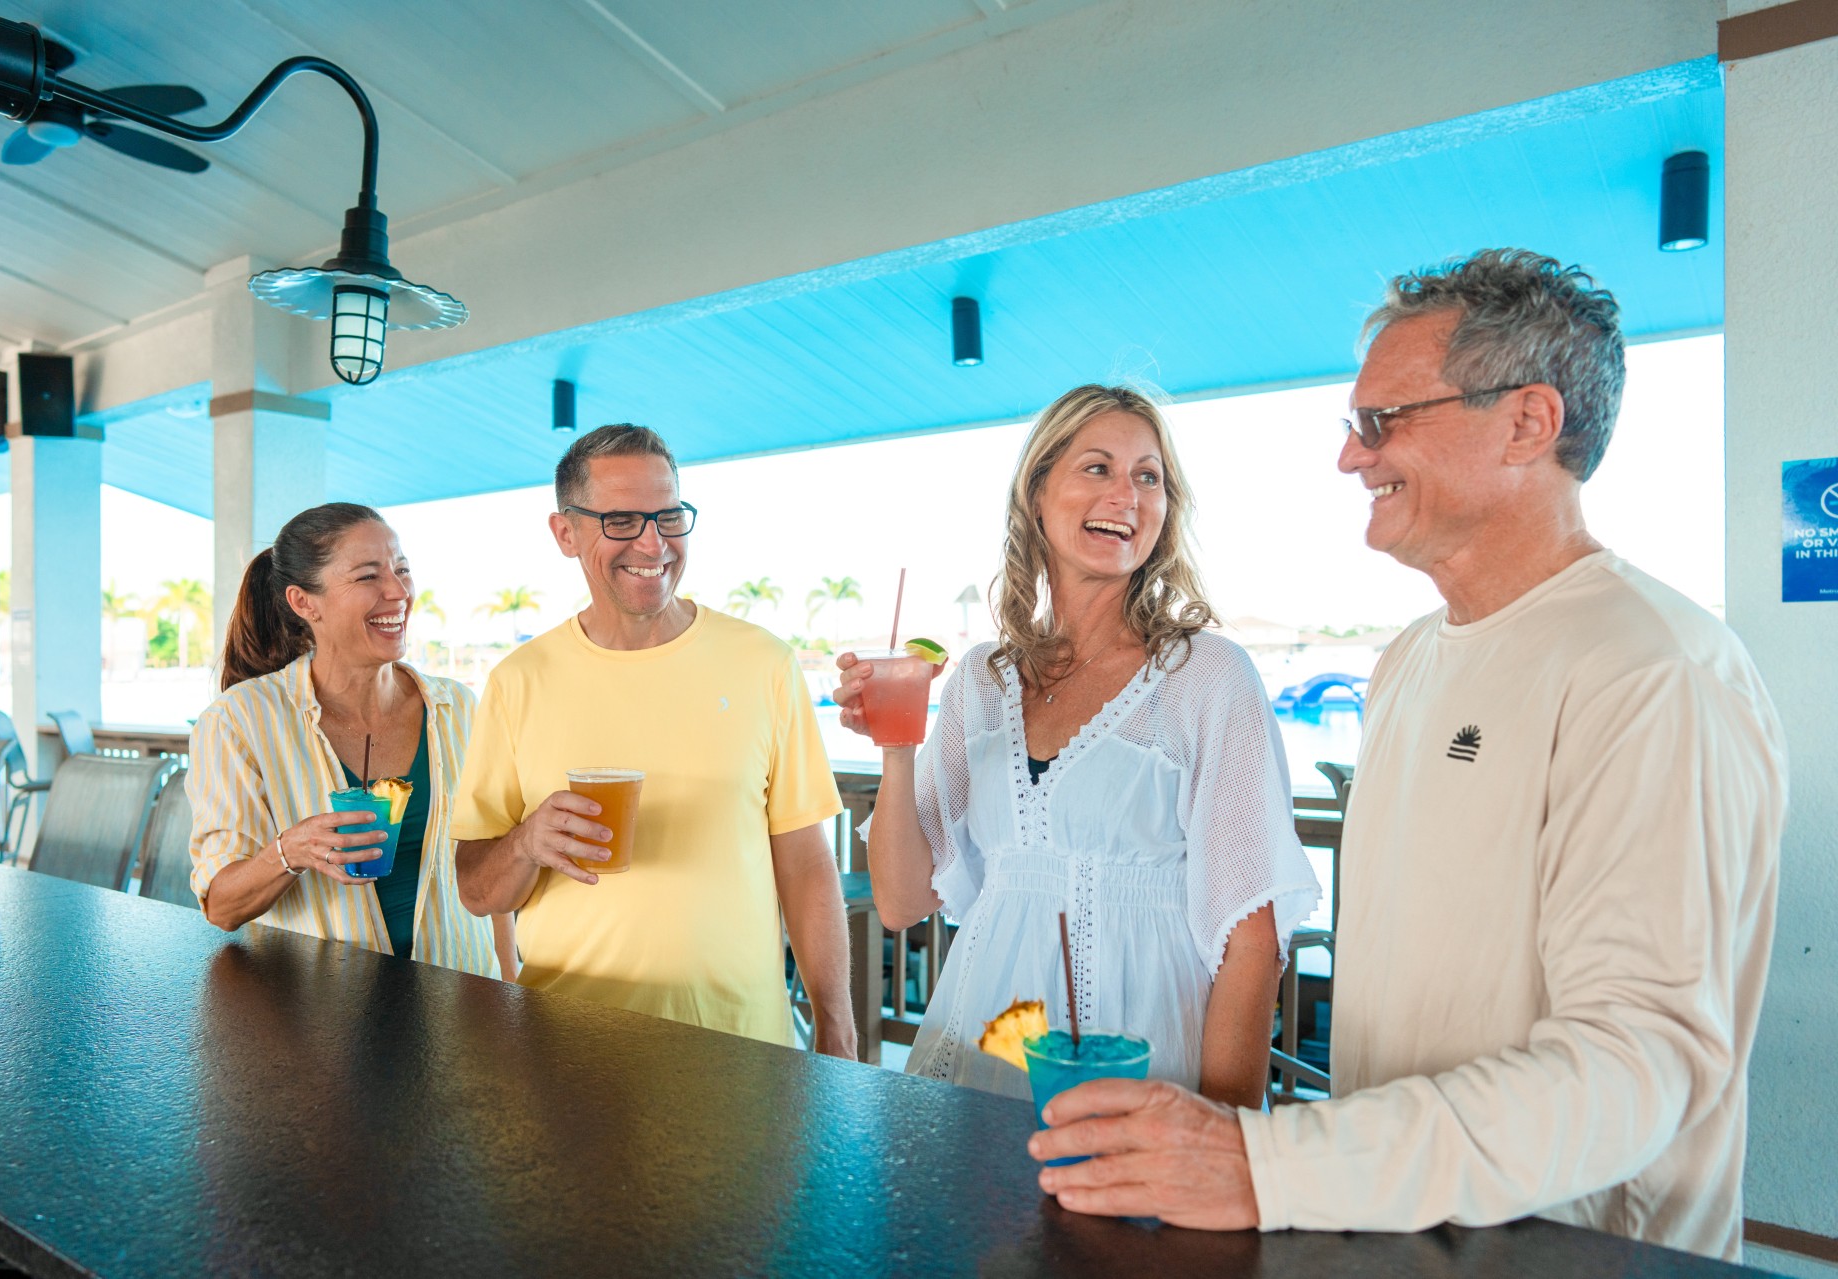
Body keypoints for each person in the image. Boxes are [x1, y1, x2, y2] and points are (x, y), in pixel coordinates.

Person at [1029, 250, 1786, 1263]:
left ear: (1527, 422)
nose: (1352, 457)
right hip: (1397, 1231)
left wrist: (1268, 1164)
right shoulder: (1408, 664)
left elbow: (1637, 1061)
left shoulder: (1652, 668)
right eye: (1353, 424)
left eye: (1383, 422)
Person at [835, 384, 1320, 1106]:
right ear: (1037, 494)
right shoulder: (981, 679)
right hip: (985, 1041)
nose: (1126, 494)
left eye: (1148, 476)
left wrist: (1227, 1135)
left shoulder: (1207, 677)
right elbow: (904, 900)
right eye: (1097, 467)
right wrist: (896, 746)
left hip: (1145, 1053)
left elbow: (1251, 940)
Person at [452, 424, 855, 1057]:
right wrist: (528, 841)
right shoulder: (516, 682)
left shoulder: (763, 664)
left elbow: (805, 864)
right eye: (621, 520)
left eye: (668, 516)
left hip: (742, 1050)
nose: (653, 542)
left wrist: (836, 1024)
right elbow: (477, 892)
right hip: (567, 1049)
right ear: (565, 533)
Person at [188, 502, 514, 979]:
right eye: (367, 577)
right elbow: (222, 906)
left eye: (402, 570)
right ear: (304, 603)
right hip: (321, 1019)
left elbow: (491, 871)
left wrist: (509, 993)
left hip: (460, 1003)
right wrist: (290, 852)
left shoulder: (458, 707)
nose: (398, 591)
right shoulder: (239, 721)